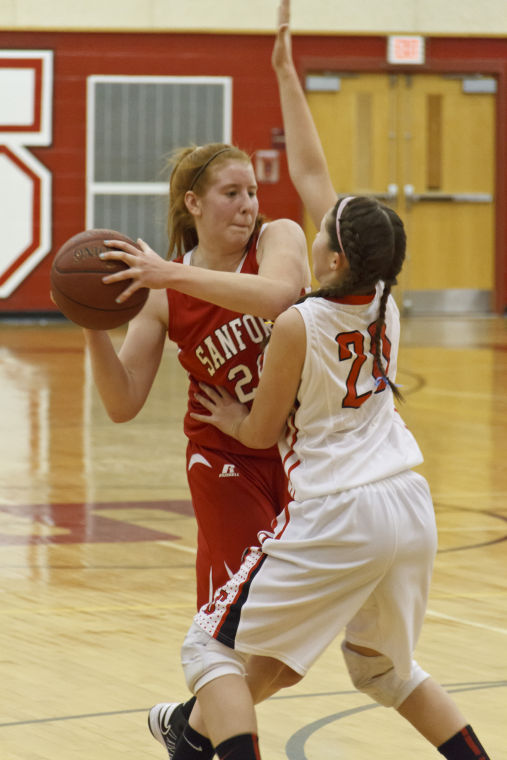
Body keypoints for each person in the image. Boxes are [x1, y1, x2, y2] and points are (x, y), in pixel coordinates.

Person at [146, 3, 493, 760]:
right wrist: (284, 71)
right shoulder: (384, 302)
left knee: (207, 651)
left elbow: (261, 431)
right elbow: (310, 173)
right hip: (410, 501)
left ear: (332, 257)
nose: (307, 225)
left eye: (322, 230)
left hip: (339, 506)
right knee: (388, 671)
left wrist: (231, 417)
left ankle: (195, 731)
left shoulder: (298, 322)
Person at [83, 139, 310, 744]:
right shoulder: (162, 293)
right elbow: (123, 402)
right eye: (231, 193)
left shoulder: (277, 239)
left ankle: (188, 727)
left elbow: (281, 297)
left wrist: (171, 271)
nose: (248, 205)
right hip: (224, 460)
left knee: (287, 658)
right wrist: (92, 328)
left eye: (252, 191)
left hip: (300, 456)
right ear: (194, 203)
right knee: (241, 633)